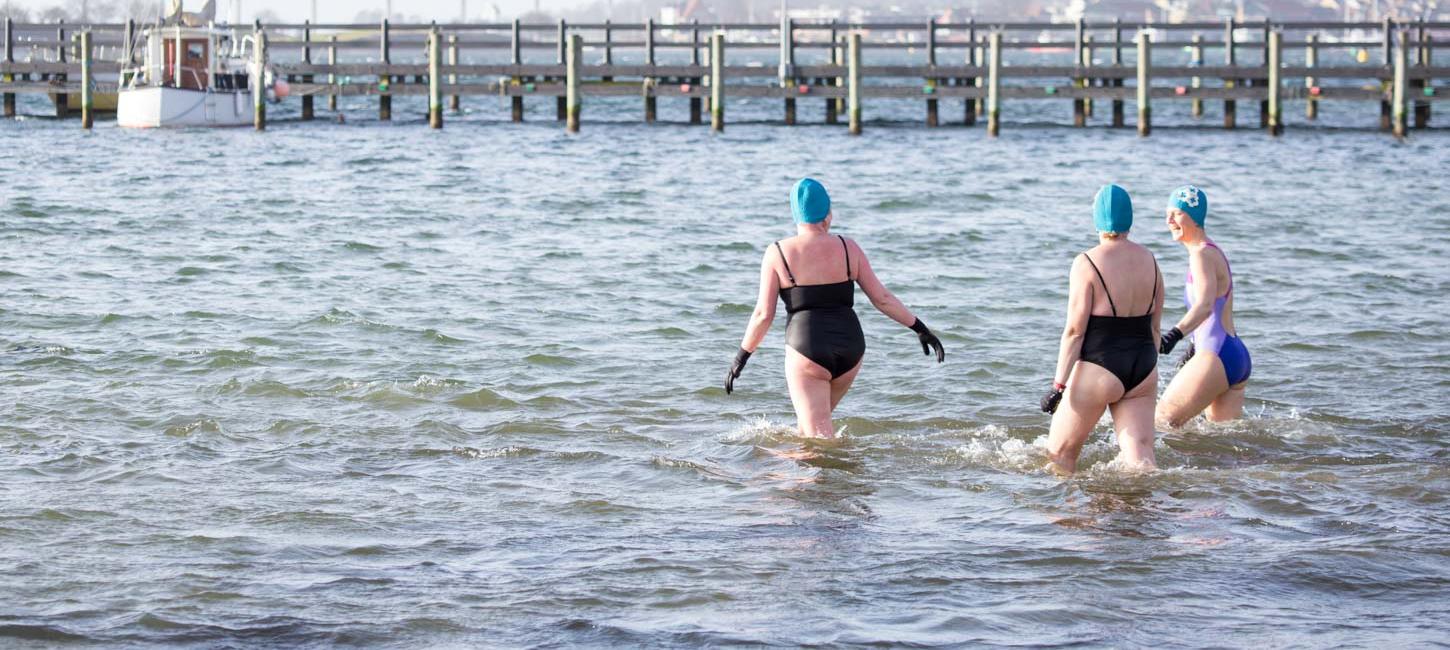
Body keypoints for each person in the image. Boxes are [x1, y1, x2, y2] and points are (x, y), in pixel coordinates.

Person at [724, 178, 945, 439]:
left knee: (817, 440)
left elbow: (763, 315)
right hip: (851, 350)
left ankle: (798, 478)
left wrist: (741, 357)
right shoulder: (848, 247)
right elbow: (882, 298)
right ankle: (806, 478)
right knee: (811, 431)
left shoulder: (778, 252)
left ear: (795, 214)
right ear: (828, 213)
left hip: (808, 350)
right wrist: (919, 328)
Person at [1040, 184, 1164, 473]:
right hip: (1144, 366)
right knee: (1142, 463)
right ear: (1129, 219)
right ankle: (1150, 514)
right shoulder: (1151, 260)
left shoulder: (1086, 262)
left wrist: (1058, 386)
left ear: (1097, 218)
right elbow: (1155, 326)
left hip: (1100, 365)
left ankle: (1068, 517)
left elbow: (1074, 331)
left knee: (1059, 455)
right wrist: (1145, 367)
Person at [1156, 185, 1252, 428]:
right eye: (1168, 214)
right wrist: (1192, 347)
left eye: (1177, 213)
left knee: (1162, 420)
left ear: (1195, 216)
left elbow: (1206, 305)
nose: (1169, 220)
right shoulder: (1212, 251)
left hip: (1216, 354)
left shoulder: (1201, 255)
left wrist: (1173, 335)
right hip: (1233, 354)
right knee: (1222, 443)